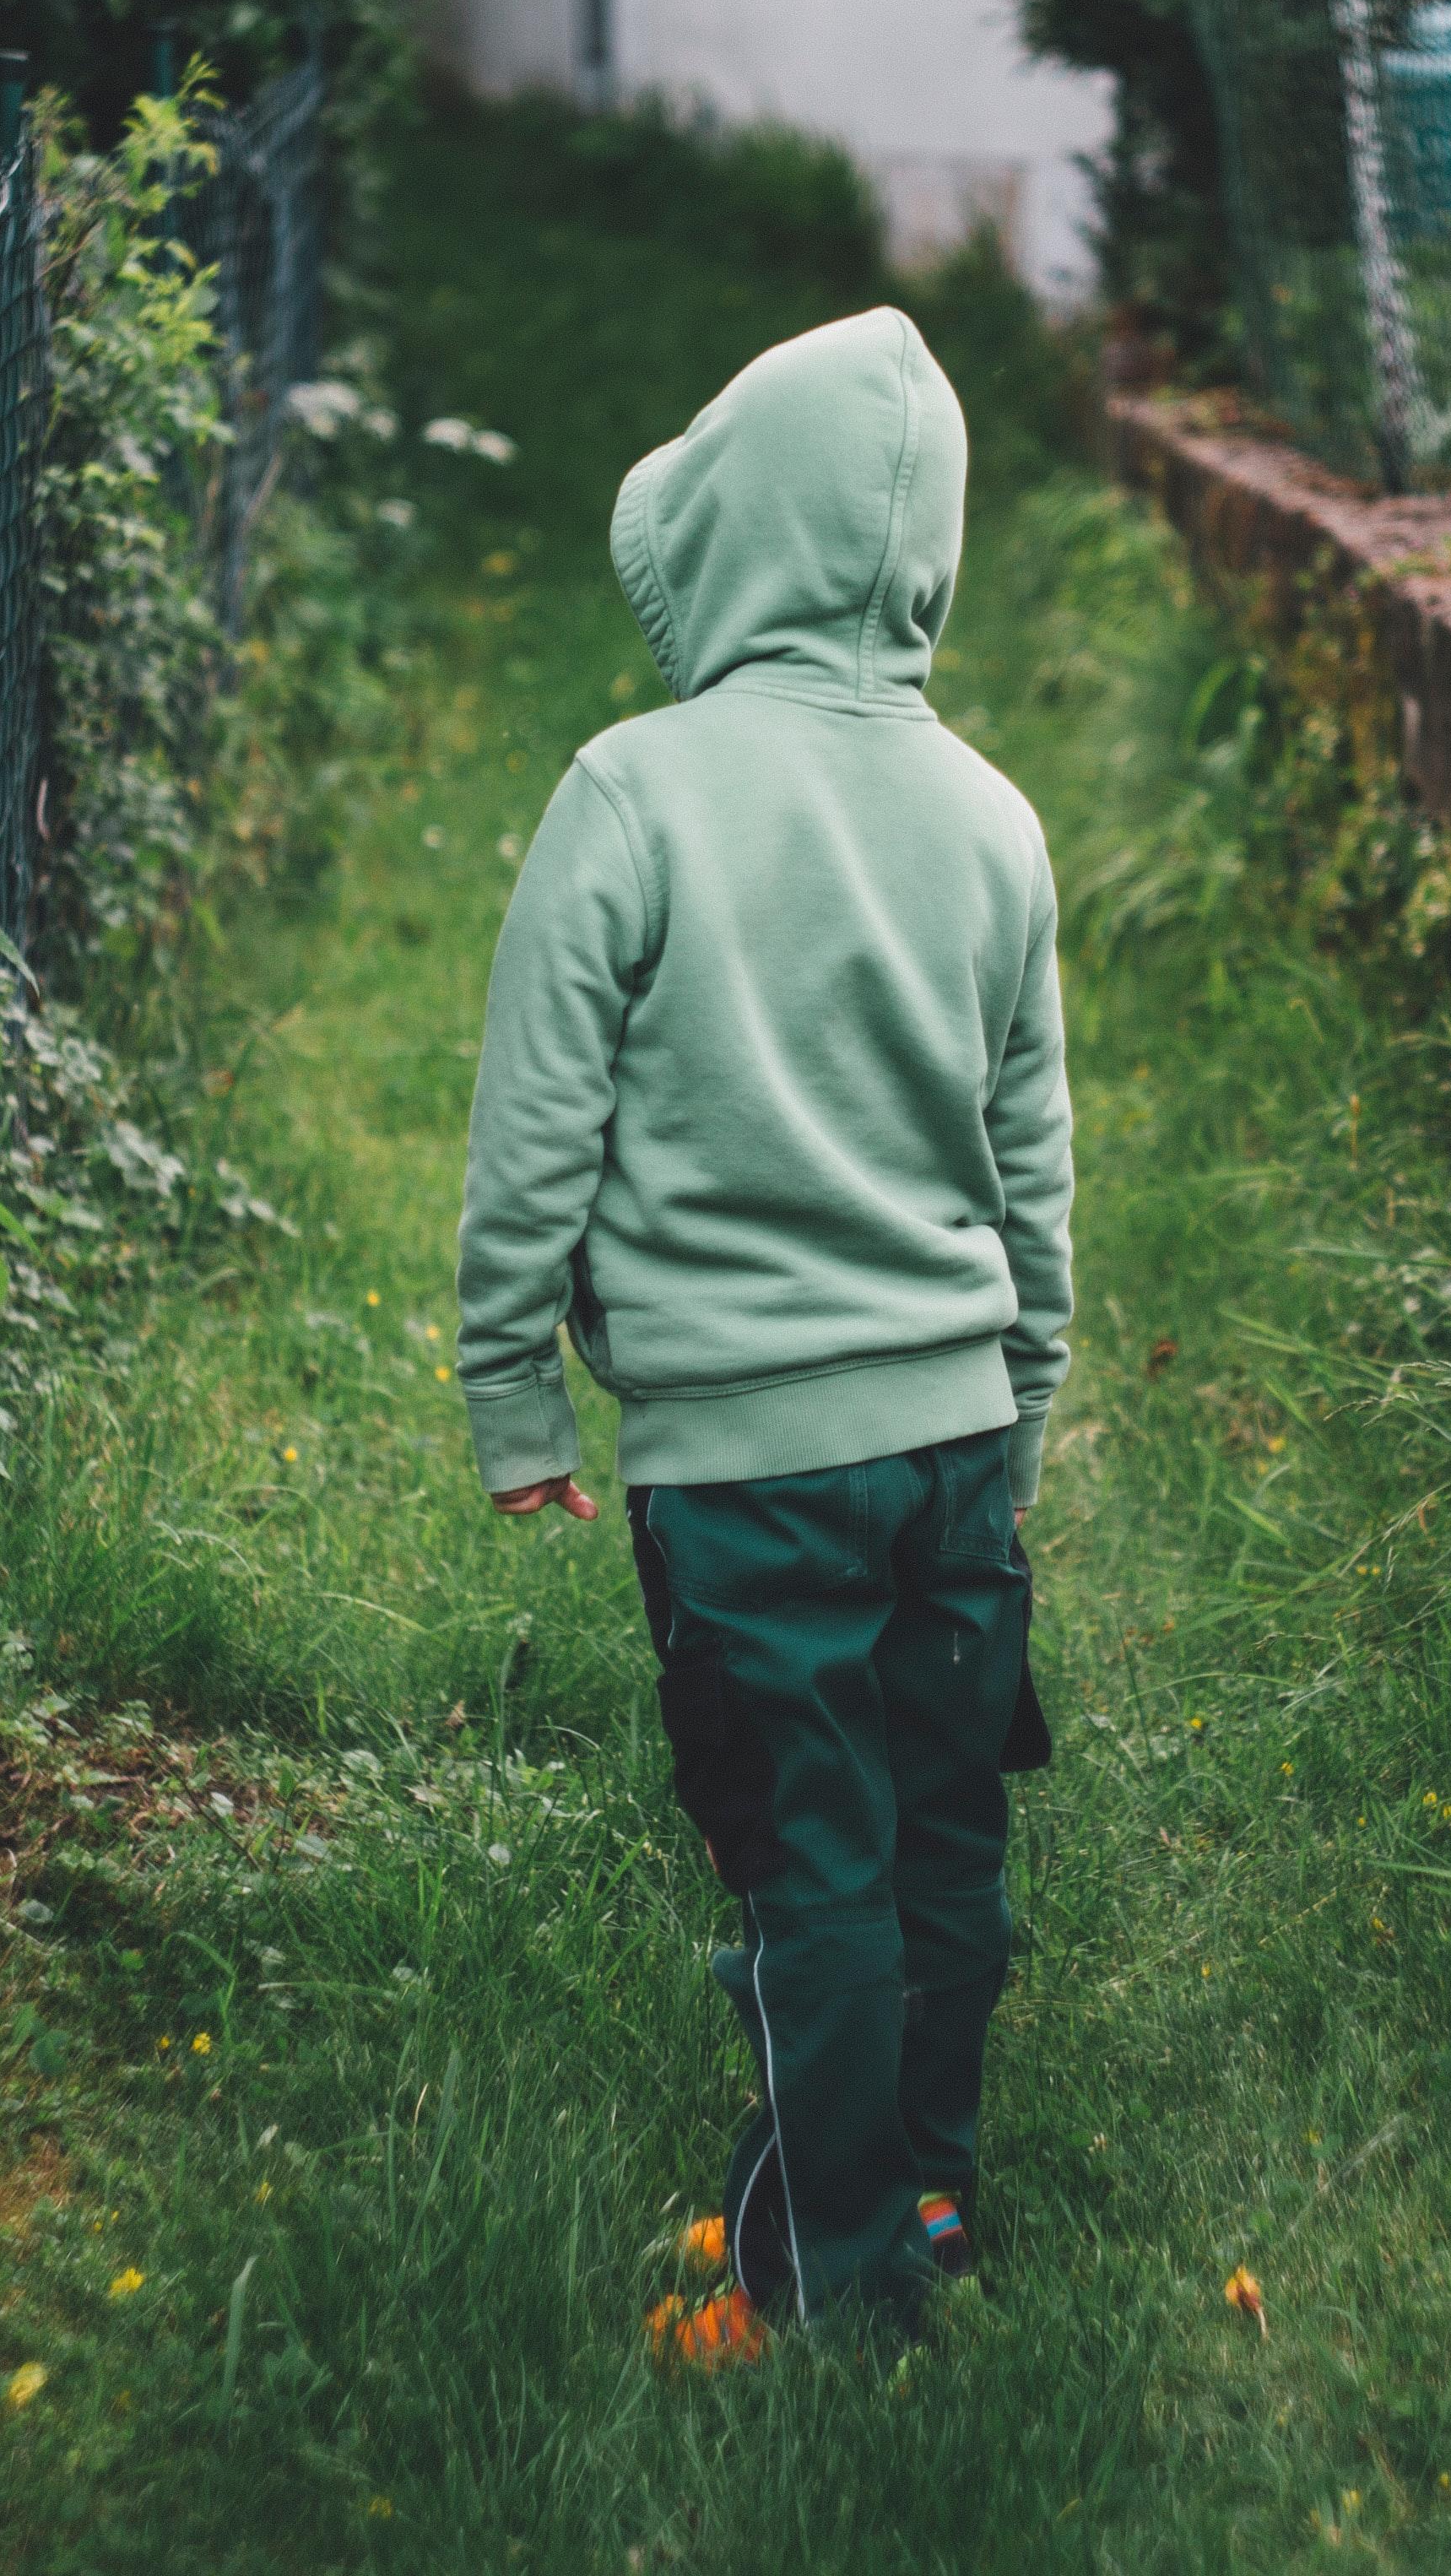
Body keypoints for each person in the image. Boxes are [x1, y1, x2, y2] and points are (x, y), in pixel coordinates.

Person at [453, 305, 1073, 2356]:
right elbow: (1029, 1167)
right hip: (952, 1439)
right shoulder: (995, 822)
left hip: (737, 1465)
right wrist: (1025, 1399)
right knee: (941, 1832)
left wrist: (512, 1380)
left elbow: (536, 1121)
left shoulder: (632, 793)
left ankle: (840, 2281)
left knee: (809, 1855)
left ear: (732, 535)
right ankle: (935, 2188)